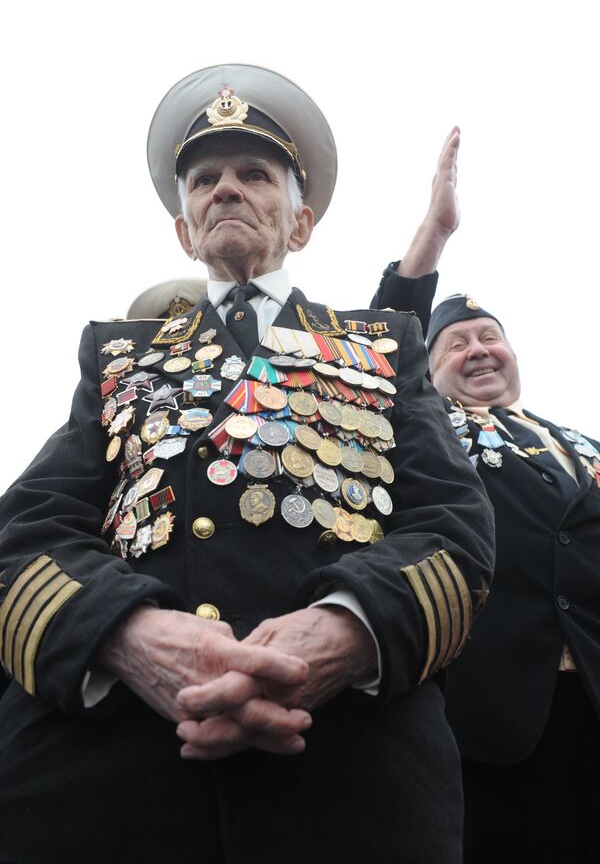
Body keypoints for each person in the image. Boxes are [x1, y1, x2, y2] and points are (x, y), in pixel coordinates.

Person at [0, 65, 494, 864]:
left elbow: (455, 528)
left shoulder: (380, 346)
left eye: (254, 174)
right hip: (102, 783)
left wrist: (340, 632)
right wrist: (129, 635)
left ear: (299, 223)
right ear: (184, 228)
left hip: (350, 782)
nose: (225, 189)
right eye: (205, 179)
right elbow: (26, 537)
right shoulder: (117, 354)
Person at [372, 140, 600, 863]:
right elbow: (379, 359)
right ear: (426, 370)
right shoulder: (424, 428)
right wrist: (432, 237)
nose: (477, 350)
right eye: (455, 344)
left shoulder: (581, 445)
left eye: (489, 337)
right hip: (491, 716)